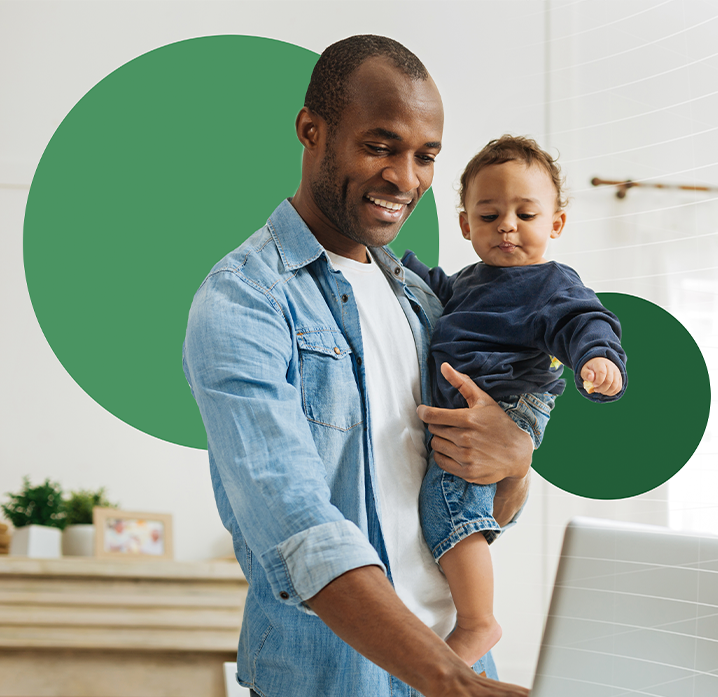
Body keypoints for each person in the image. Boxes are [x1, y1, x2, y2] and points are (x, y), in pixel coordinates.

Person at [182, 35, 531, 697]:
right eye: (379, 145)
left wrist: (515, 461)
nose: (405, 178)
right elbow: (297, 527)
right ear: (311, 131)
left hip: (458, 668)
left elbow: (481, 511)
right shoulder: (244, 298)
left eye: (424, 156)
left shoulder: (425, 300)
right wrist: (442, 678)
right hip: (340, 681)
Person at [402, 135, 628, 666]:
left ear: (556, 224)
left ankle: (479, 622)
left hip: (508, 403)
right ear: (465, 226)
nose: (507, 225)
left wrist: (598, 358)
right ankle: (473, 615)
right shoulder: (471, 282)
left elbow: (583, 320)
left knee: (449, 507)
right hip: (481, 407)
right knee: (453, 507)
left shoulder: (549, 283)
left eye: (525, 213)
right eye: (489, 214)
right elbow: (439, 296)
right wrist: (397, 264)